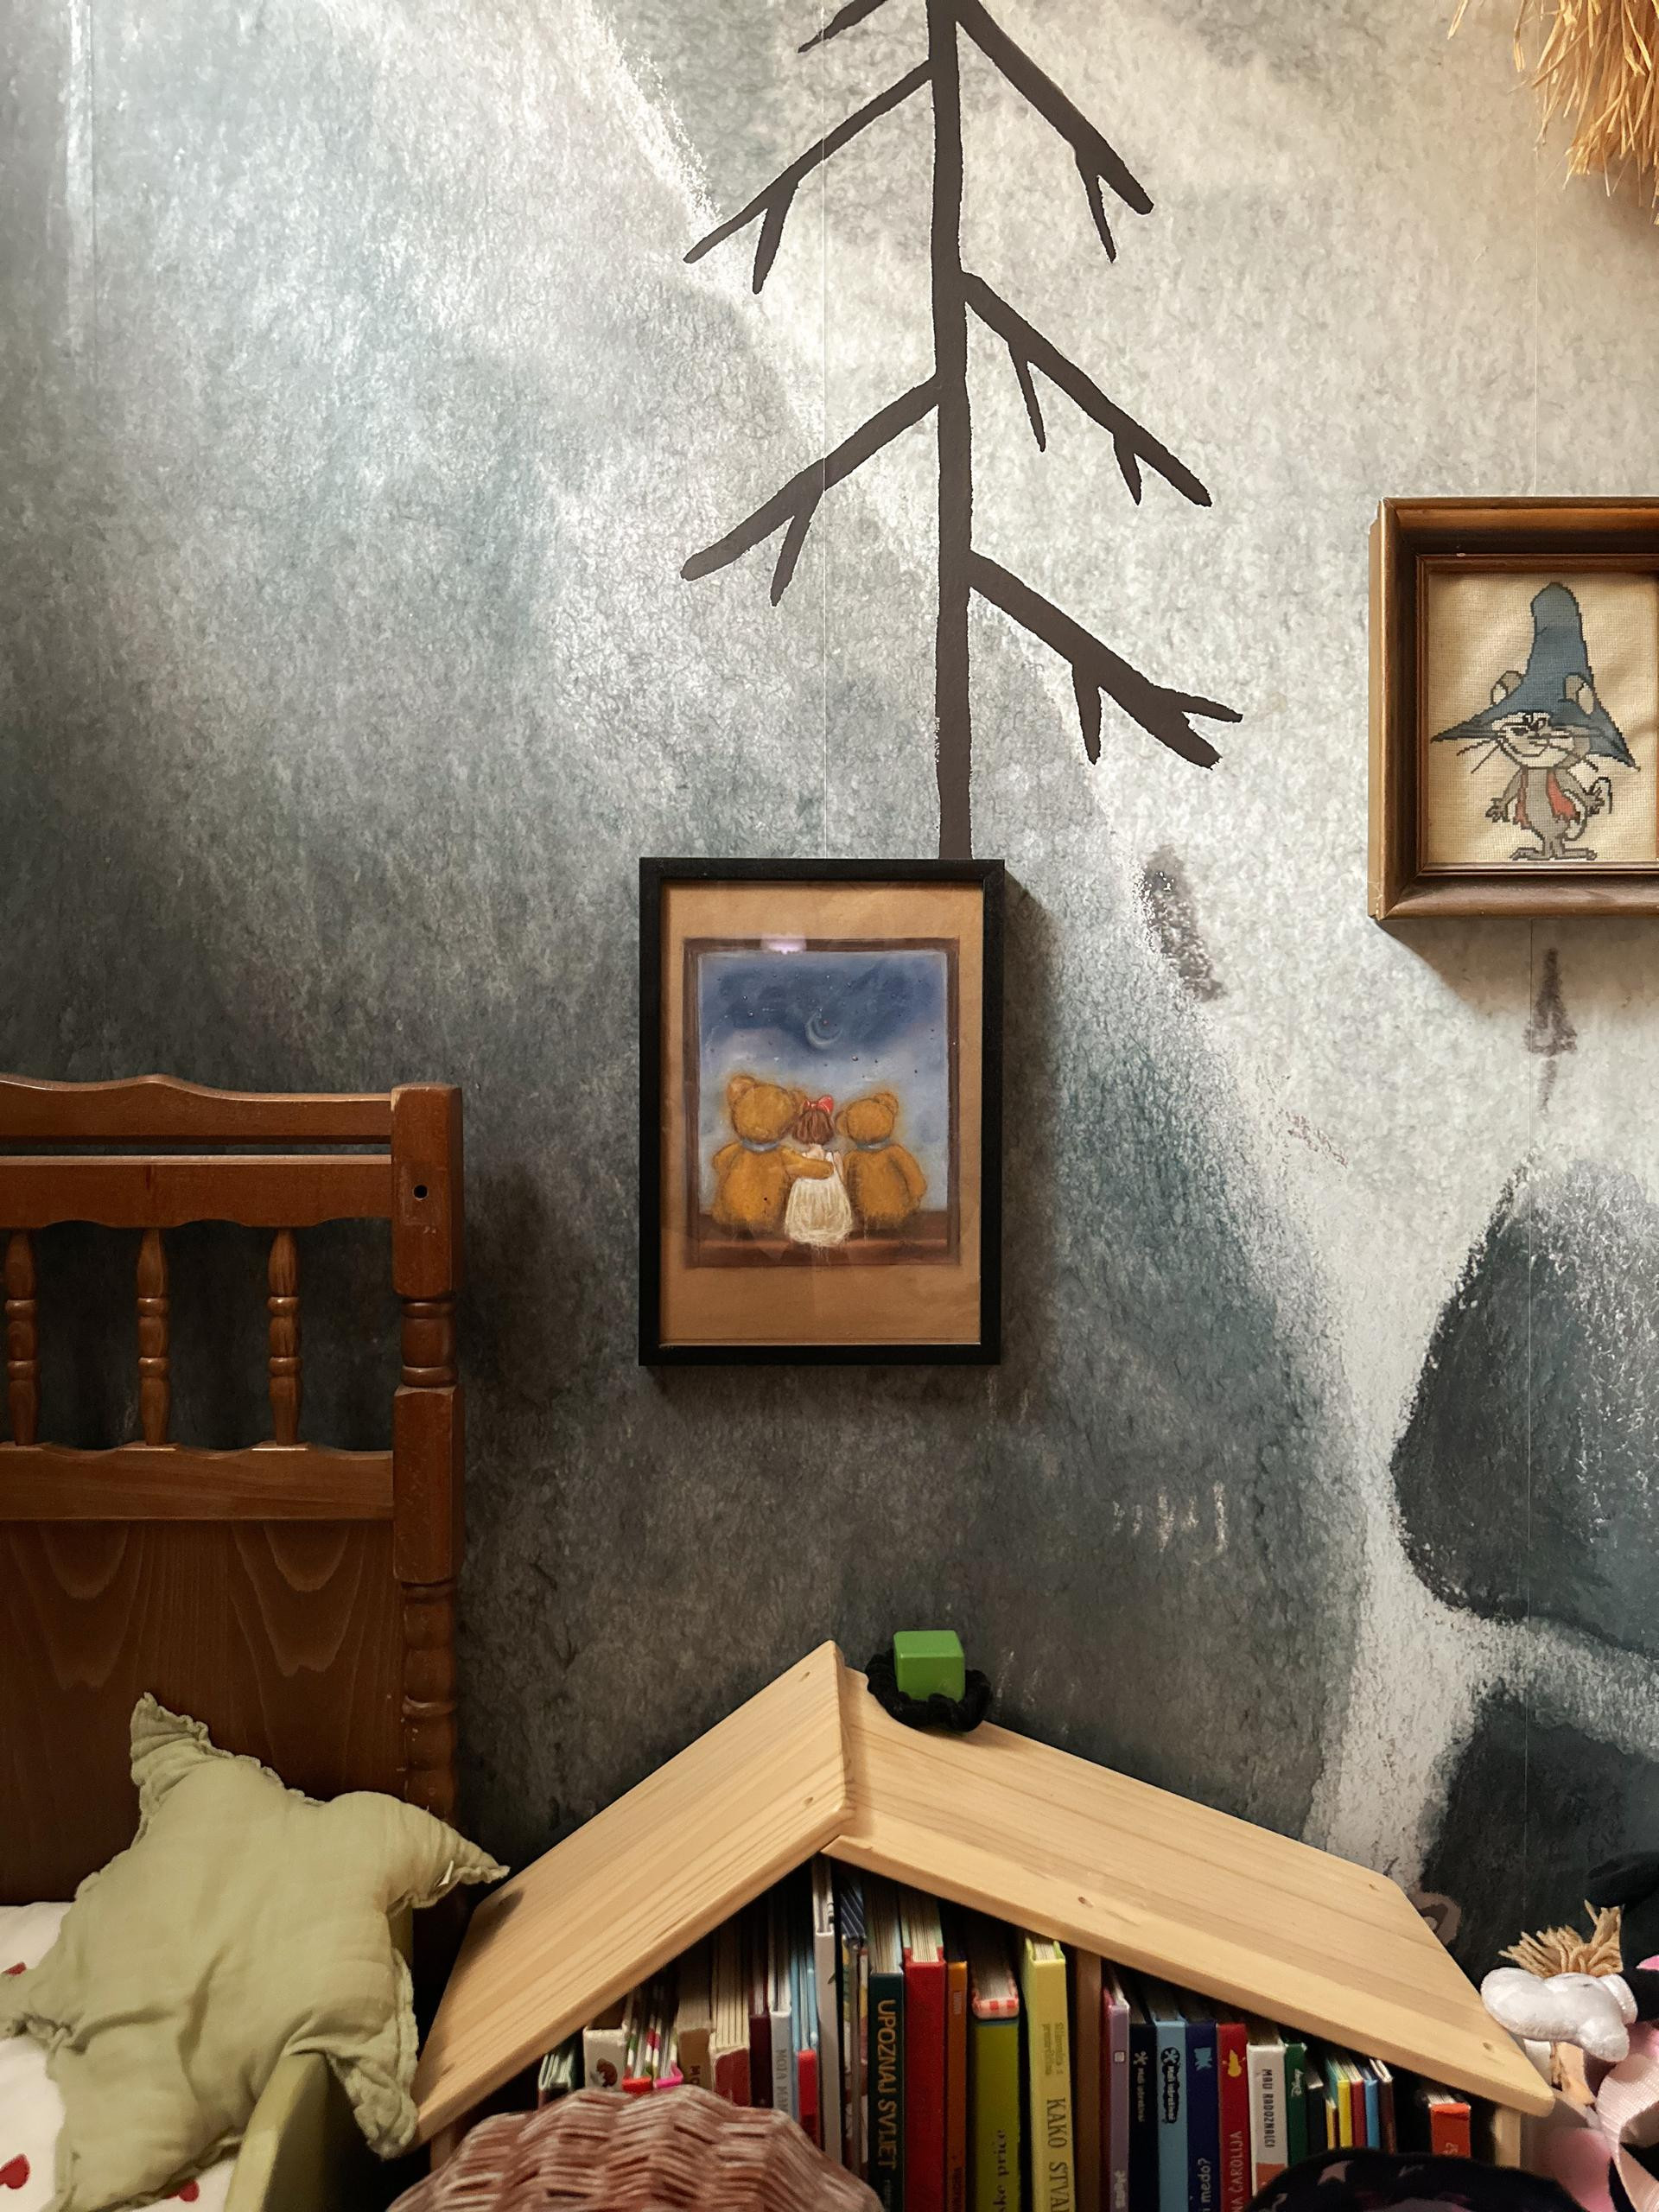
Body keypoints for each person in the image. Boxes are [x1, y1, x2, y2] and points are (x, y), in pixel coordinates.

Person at [783, 1097, 853, 1249]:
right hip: (831, 1213)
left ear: (801, 1129)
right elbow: (843, 1185)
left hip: (806, 1212)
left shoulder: (801, 1159)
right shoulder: (835, 1157)